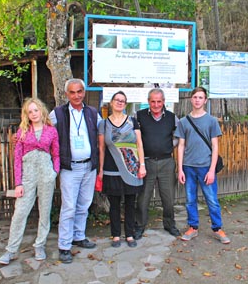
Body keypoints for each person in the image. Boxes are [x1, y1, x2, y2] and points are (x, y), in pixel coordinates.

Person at [0, 98, 60, 265]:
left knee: (44, 211)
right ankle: (11, 250)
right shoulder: (22, 132)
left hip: (46, 174)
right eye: (30, 111)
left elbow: (56, 154)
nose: (33, 114)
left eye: (36, 110)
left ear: (42, 111)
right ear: (26, 114)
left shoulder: (51, 131)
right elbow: (17, 159)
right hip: (28, 175)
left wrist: (54, 172)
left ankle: (40, 245)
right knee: (20, 213)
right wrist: (18, 183)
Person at [49, 78, 102, 264]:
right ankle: (64, 246)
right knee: (69, 207)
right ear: (66, 94)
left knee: (84, 204)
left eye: (79, 91)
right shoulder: (57, 113)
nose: (77, 95)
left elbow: (104, 133)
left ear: (84, 92)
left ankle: (78, 236)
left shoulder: (92, 113)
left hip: (89, 166)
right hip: (69, 168)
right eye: (72, 92)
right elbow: (44, 130)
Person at [174, 87, 230, 244]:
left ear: (205, 100)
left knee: (211, 199)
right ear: (191, 99)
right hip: (188, 166)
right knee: (190, 199)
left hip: (206, 166)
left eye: (201, 97)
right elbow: (181, 146)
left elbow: (215, 147)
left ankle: (217, 228)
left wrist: (212, 170)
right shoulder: (184, 122)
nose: (197, 100)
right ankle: (193, 227)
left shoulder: (211, 121)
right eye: (195, 97)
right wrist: (180, 169)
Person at [98, 91, 147, 248]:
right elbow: (101, 148)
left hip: (132, 168)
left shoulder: (133, 122)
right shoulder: (103, 124)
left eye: (123, 101)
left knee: (130, 202)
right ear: (111, 103)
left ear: (125, 104)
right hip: (111, 169)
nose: (119, 103)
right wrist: (100, 170)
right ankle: (116, 235)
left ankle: (130, 234)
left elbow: (139, 144)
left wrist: (142, 165)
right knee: (114, 203)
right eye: (117, 100)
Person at [134, 88, 181, 239]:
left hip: (166, 162)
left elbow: (179, 137)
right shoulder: (139, 116)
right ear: (148, 102)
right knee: (143, 198)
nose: (156, 105)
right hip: (146, 162)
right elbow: (132, 136)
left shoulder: (172, 117)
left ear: (164, 102)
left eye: (159, 101)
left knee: (168, 198)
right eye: (153, 101)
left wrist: (168, 145)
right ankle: (139, 226)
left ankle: (169, 224)